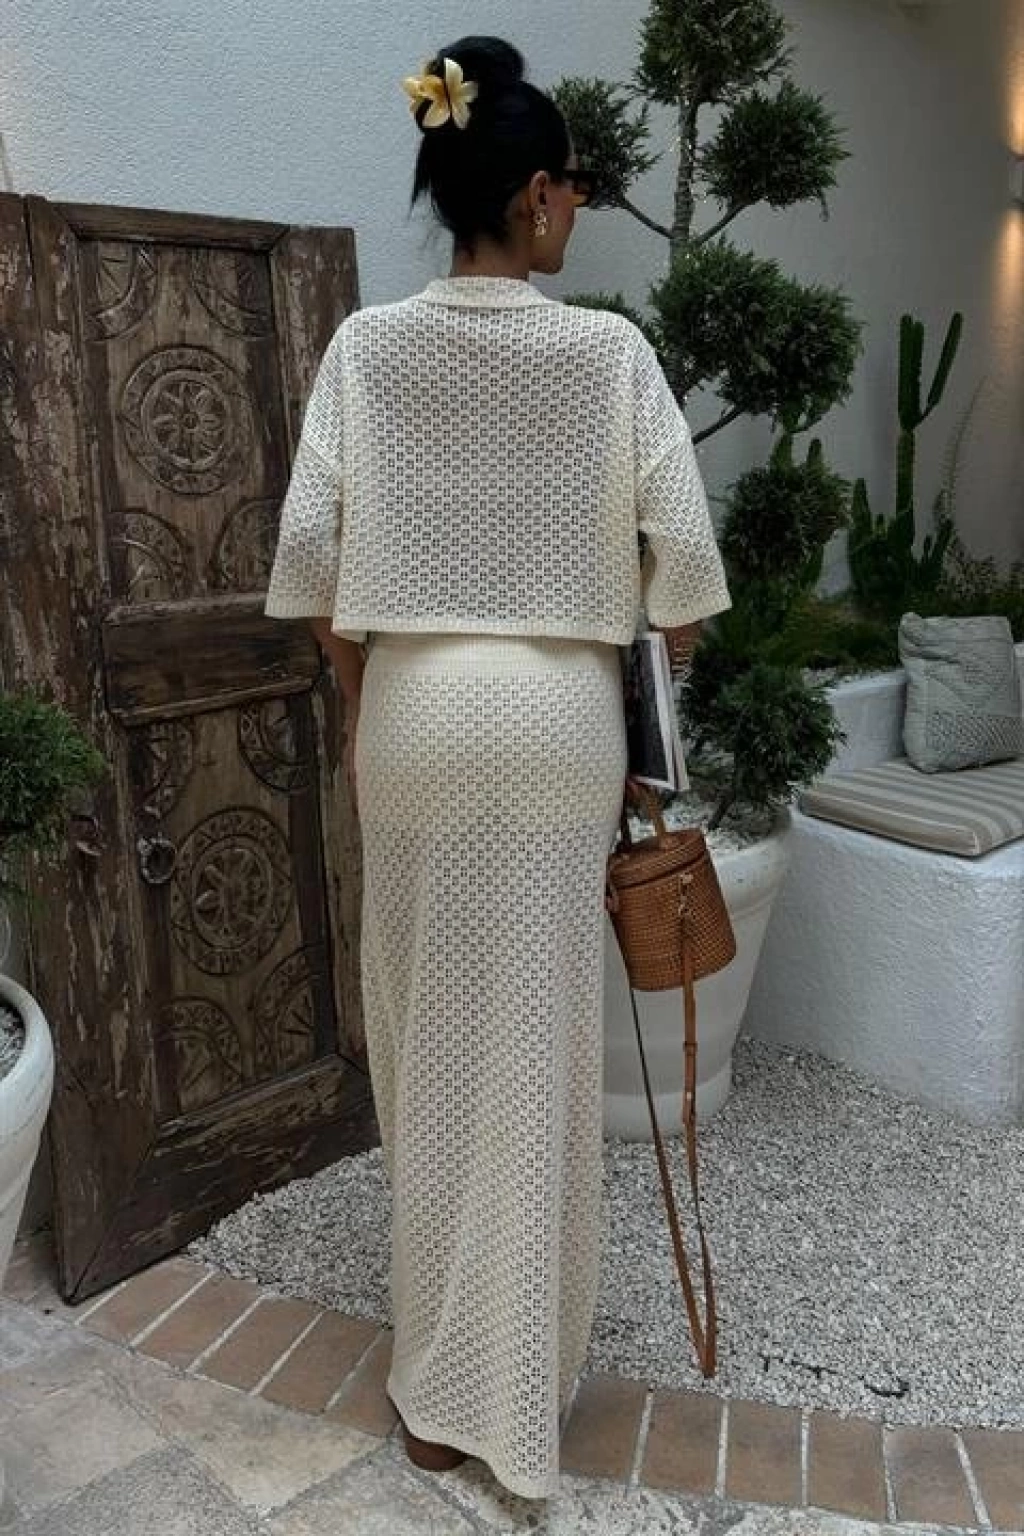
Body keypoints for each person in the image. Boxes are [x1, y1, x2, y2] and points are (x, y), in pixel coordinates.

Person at [263, 34, 730, 1503]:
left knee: (424, 1040)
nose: (576, 207)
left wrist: (373, 698)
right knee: (537, 1049)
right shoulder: (611, 358)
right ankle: (516, 1386)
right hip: (556, 733)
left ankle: (435, 1392)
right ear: (533, 198)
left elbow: (315, 571)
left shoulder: (364, 349)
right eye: (573, 187)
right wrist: (639, 725)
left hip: (410, 720)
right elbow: (684, 584)